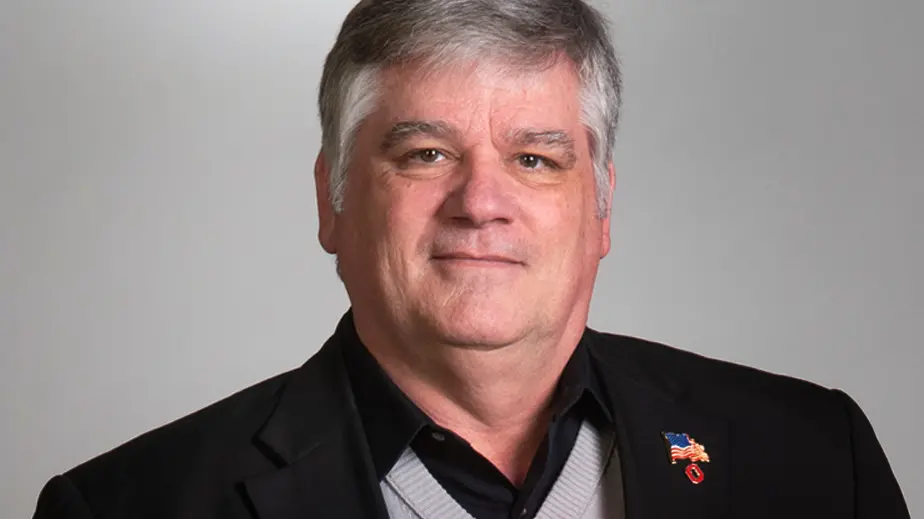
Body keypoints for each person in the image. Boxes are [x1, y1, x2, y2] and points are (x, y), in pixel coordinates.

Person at [33, 0, 909, 518]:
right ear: (330, 198)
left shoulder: (819, 463)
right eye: (425, 154)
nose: (480, 202)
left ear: (601, 206)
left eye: (535, 158)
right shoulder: (124, 507)